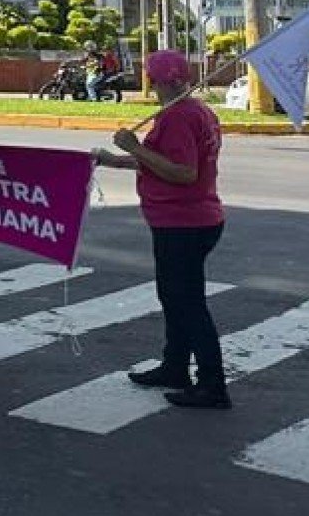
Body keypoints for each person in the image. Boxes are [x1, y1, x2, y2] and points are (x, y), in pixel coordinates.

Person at [92, 48, 229, 410]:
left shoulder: (179, 116)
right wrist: (114, 160)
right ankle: (175, 366)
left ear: (158, 80)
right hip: (193, 219)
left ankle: (212, 383)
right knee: (175, 298)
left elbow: (184, 173)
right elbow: (161, 162)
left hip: (183, 222)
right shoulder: (197, 111)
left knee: (187, 303)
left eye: (150, 77)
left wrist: (135, 146)